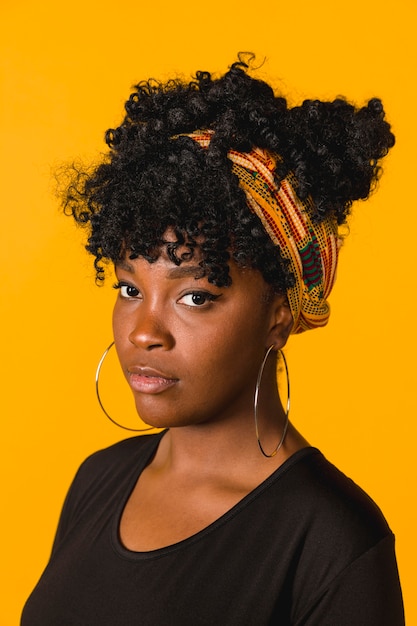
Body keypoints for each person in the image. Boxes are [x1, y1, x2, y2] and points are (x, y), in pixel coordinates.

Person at [21, 57, 404, 625]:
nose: (144, 332)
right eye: (130, 288)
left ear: (281, 313)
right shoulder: (96, 480)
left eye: (195, 296)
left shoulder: (333, 541)